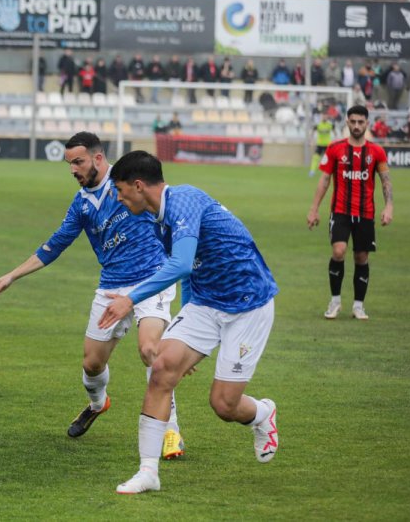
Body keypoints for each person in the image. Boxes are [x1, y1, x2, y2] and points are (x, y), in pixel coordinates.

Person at [0, 134, 184, 456]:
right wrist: (12, 275)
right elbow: (54, 245)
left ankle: (171, 431)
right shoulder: (81, 204)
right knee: (92, 364)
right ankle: (97, 403)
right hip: (112, 286)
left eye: (77, 162)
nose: (73, 170)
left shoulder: (128, 185)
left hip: (152, 280)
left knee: (150, 350)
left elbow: (168, 212)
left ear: (97, 159)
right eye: (69, 164)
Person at [102, 150, 279, 495]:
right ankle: (148, 472)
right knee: (162, 368)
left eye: (122, 192)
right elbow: (188, 267)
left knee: (224, 405)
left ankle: (261, 414)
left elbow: (181, 264)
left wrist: (130, 298)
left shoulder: (182, 202)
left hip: (249, 303)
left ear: (139, 186)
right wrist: (185, 336)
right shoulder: (156, 216)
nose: (121, 200)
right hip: (205, 302)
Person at [307, 105, 393, 321]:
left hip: (365, 214)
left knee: (361, 256)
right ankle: (335, 301)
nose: (356, 126)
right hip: (340, 212)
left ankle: (358, 306)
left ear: (367, 123)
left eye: (360, 122)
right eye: (353, 121)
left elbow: (385, 181)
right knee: (338, 251)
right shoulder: (335, 149)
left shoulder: (376, 151)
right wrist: (314, 209)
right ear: (347, 122)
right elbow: (325, 180)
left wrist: (389, 206)